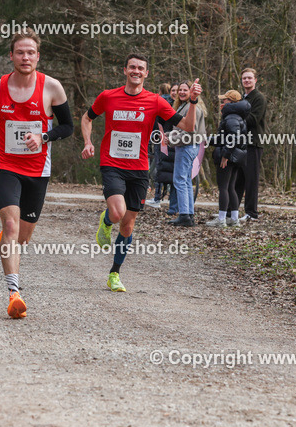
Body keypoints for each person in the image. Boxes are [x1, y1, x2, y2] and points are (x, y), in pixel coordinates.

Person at [0, 30, 73, 318]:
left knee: (22, 237)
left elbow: (68, 127)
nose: (25, 57)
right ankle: (14, 293)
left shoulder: (52, 88)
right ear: (11, 56)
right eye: (20, 53)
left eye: (31, 53)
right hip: (4, 168)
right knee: (11, 227)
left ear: (38, 57)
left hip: (38, 171)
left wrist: (45, 137)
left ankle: (9, 239)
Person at [81, 54, 202, 292]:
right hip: (112, 164)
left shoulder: (155, 101)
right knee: (117, 212)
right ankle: (106, 222)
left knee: (127, 226)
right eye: (132, 67)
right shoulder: (108, 96)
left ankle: (114, 274)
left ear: (147, 73)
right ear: (125, 70)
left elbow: (188, 127)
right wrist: (87, 142)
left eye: (141, 68)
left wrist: (194, 102)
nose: (136, 71)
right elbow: (87, 118)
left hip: (139, 168)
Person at [167, 80, 207, 227]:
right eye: (180, 90)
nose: (182, 92)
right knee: (185, 181)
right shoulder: (183, 106)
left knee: (179, 179)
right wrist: (168, 134)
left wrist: (170, 139)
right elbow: (180, 129)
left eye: (185, 90)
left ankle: (184, 215)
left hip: (187, 146)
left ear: (192, 91)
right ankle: (188, 214)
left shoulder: (193, 108)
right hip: (185, 146)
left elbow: (190, 133)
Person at [207, 90, 250, 226]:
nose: (222, 102)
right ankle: (234, 218)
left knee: (224, 188)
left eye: (225, 100)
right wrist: (210, 140)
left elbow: (232, 137)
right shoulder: (237, 116)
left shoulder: (231, 117)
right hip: (236, 156)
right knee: (231, 187)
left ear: (231, 102)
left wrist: (225, 156)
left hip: (228, 156)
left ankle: (221, 219)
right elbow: (226, 137)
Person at [235, 67, 267, 222]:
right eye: (244, 78)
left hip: (253, 143)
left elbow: (253, 119)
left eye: (249, 78)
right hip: (240, 144)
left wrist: (235, 119)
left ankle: (251, 213)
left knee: (251, 180)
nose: (246, 80)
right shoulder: (242, 98)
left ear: (255, 80)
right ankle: (232, 211)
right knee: (238, 179)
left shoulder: (258, 98)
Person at [147, 82, 174, 209]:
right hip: (171, 137)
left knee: (159, 167)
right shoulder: (175, 103)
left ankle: (157, 197)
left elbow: (156, 121)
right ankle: (168, 195)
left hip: (159, 136)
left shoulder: (158, 102)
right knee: (168, 168)